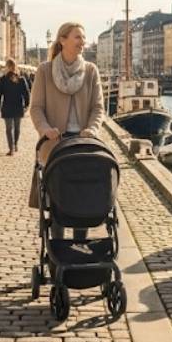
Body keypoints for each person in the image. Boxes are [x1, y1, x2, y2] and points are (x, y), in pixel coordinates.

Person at [28, 22, 104, 237]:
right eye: (78, 37)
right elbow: (36, 107)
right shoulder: (45, 70)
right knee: (57, 198)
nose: (83, 42)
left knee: (83, 194)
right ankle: (57, 247)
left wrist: (92, 129)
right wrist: (45, 129)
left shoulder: (90, 71)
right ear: (62, 40)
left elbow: (98, 108)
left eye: (83, 37)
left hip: (83, 141)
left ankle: (81, 243)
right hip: (55, 142)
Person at [0, 58, 30, 156]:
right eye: (8, 66)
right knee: (11, 128)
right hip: (10, 106)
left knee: (15, 128)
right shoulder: (4, 79)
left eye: (10, 66)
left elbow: (26, 93)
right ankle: (12, 147)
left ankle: (14, 145)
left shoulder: (20, 79)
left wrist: (27, 104)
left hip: (15, 106)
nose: (9, 68)